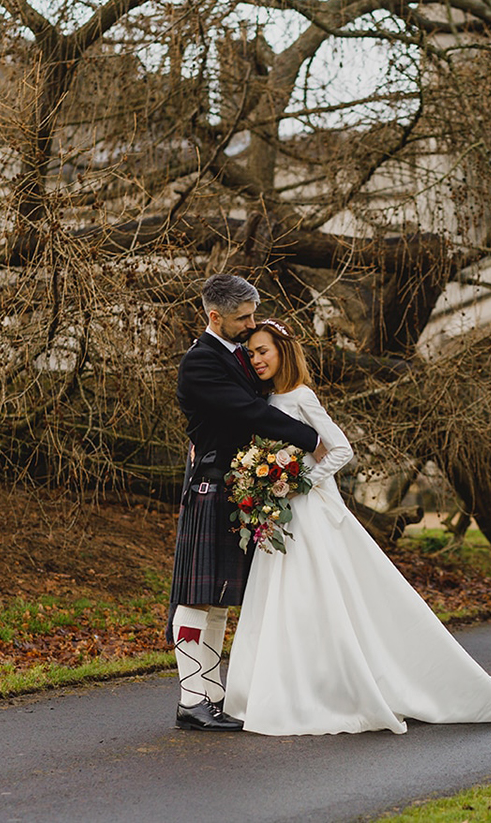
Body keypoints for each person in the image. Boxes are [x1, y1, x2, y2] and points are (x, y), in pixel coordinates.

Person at [223, 319, 491, 735]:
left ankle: (325, 689)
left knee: (313, 598)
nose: (257, 359)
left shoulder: (301, 396)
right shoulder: (267, 400)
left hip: (307, 511)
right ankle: (278, 688)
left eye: (264, 350)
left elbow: (341, 450)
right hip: (282, 517)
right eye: (252, 353)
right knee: (283, 598)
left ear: (283, 351)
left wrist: (300, 481)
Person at [170, 276, 321, 732]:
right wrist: (311, 438)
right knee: (196, 600)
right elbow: (248, 412)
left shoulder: (235, 355)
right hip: (210, 488)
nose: (252, 325)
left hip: (234, 490)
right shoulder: (200, 364)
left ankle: (210, 696)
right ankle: (191, 699)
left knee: (217, 601)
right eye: (244, 318)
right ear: (215, 316)